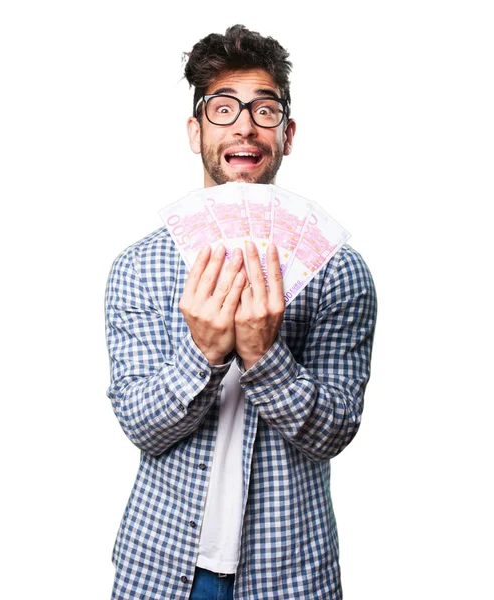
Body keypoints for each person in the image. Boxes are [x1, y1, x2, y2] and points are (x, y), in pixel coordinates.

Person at [105, 24, 377, 600]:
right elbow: (140, 425)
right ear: (195, 130)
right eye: (223, 109)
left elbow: (334, 432)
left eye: (265, 109)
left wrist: (262, 355)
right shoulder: (138, 268)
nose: (245, 125)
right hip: (159, 569)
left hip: (290, 574)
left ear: (288, 133)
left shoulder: (337, 271)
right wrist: (201, 354)